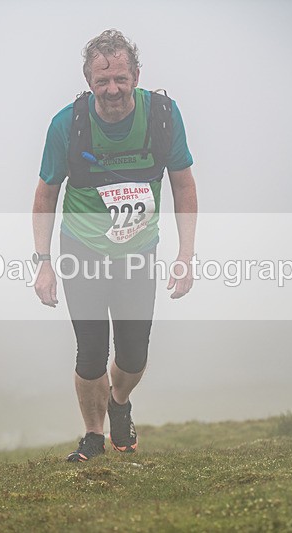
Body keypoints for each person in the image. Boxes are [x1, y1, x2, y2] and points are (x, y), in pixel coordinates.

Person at [33, 29, 198, 462]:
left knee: (133, 354)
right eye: (102, 80)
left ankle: (119, 403)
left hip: (138, 253)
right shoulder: (66, 125)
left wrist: (185, 256)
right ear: (88, 80)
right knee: (90, 352)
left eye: (121, 79)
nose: (112, 89)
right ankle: (93, 436)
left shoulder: (162, 116)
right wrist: (43, 261)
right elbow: (46, 193)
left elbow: (183, 184)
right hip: (82, 250)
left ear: (136, 76)